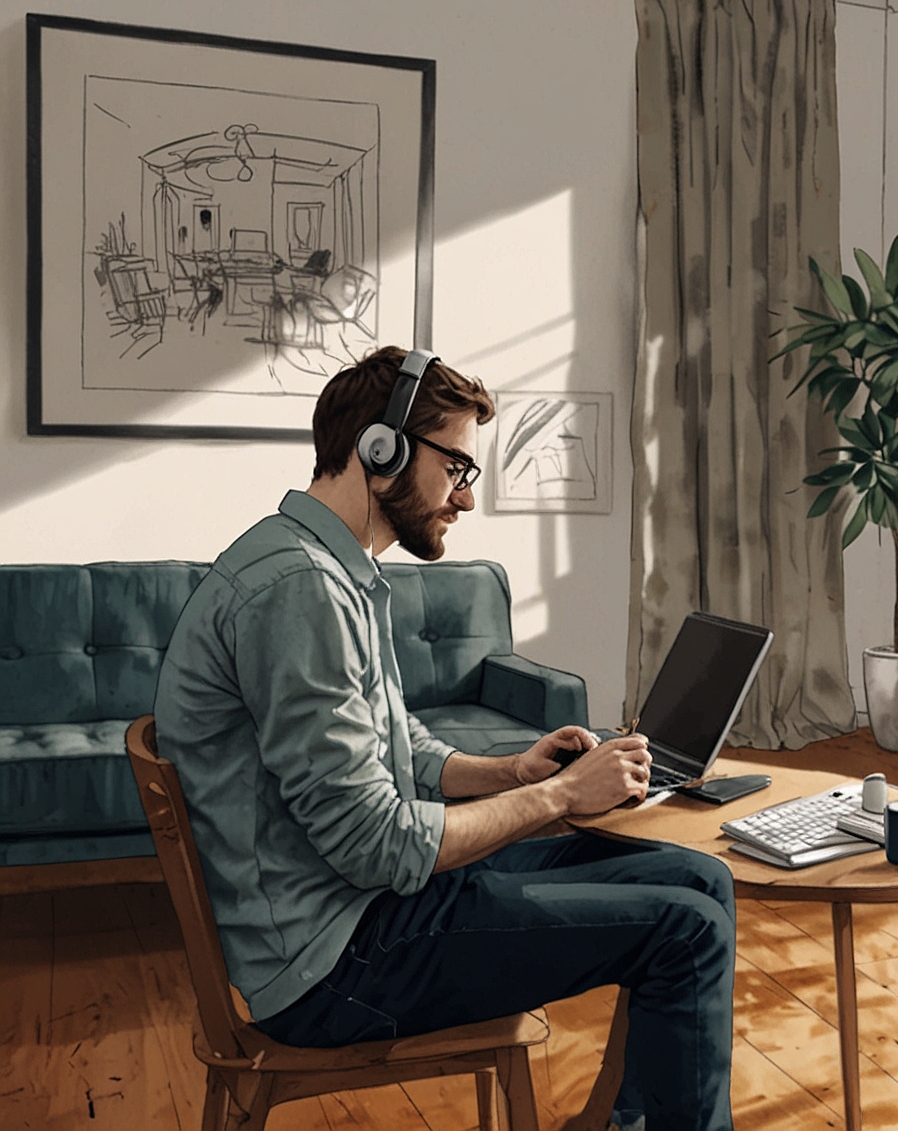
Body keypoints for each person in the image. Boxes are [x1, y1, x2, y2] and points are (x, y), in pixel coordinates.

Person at [154, 346, 734, 1131]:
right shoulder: (302, 591)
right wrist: (559, 794)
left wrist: (513, 771)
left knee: (702, 880)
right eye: (457, 467)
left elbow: (399, 749)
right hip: (332, 963)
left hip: (364, 907)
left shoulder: (330, 568)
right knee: (687, 931)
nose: (464, 498)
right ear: (380, 448)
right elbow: (377, 847)